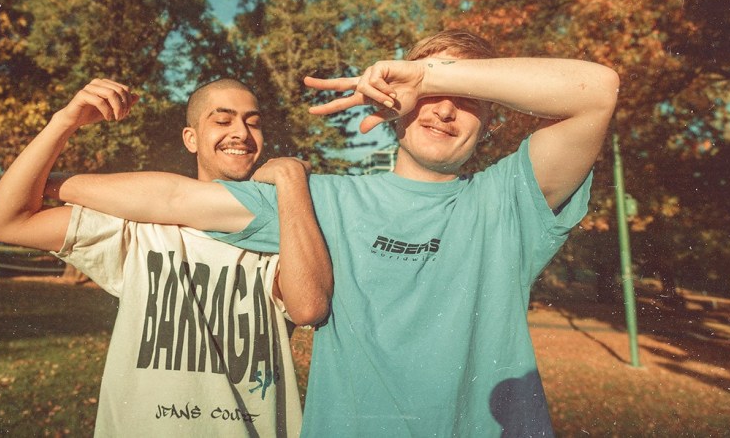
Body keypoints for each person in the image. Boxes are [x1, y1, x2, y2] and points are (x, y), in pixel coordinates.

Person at [51, 30, 620, 436]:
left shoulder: (509, 200)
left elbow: (597, 91)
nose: (445, 111)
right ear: (396, 109)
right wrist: (52, 182)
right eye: (429, 96)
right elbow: (174, 198)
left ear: (491, 118)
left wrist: (428, 75)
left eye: (468, 100)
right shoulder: (322, 200)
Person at [0, 77, 332, 437]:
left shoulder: (285, 232)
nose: (241, 132)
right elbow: (2, 222)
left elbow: (309, 307)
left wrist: (291, 180)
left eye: (253, 123)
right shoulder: (138, 229)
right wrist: (64, 122)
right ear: (190, 139)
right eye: (223, 120)